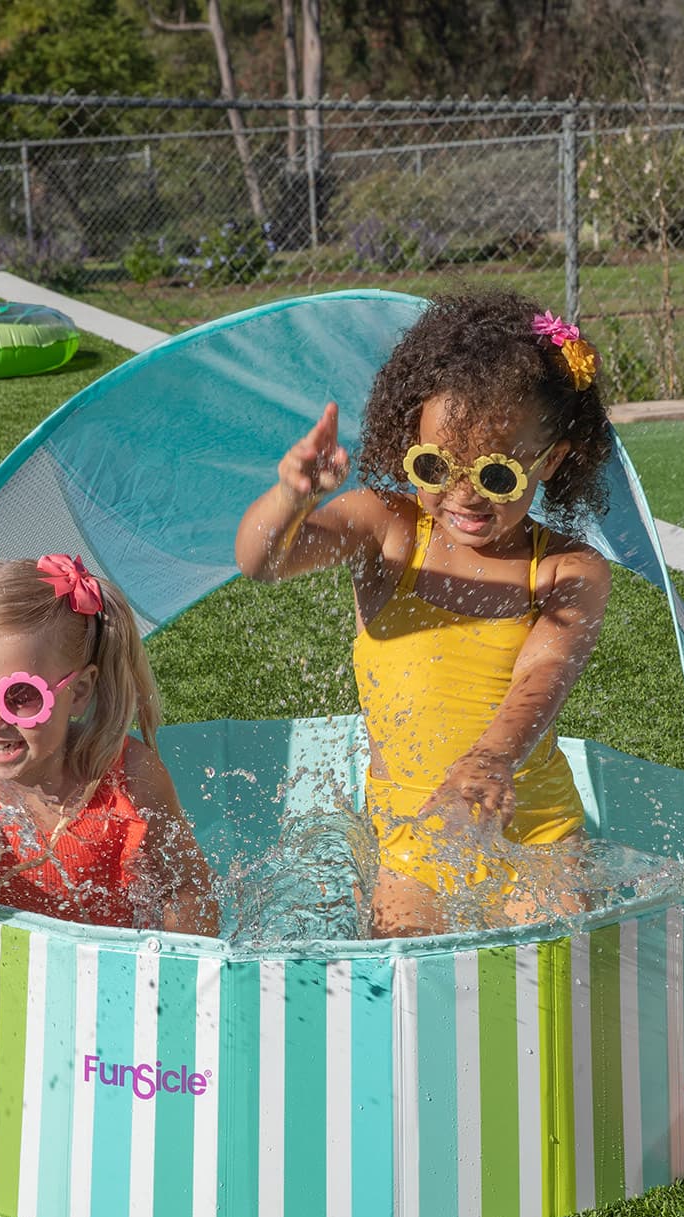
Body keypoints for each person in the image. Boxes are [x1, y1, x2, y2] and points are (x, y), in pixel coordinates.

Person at [236, 292, 614, 937]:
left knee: (552, 960)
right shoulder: (390, 531)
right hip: (412, 833)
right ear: (409, 439)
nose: (462, 495)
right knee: (410, 972)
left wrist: (492, 758)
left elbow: (542, 677)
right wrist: (291, 498)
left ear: (549, 462)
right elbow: (264, 560)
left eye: (496, 476)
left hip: (536, 827)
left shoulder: (566, 569)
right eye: (436, 466)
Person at [0, 555, 220, 936]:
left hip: (112, 978)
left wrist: (175, 963)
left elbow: (188, 885)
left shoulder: (128, 774)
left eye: (21, 696)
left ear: (79, 692)